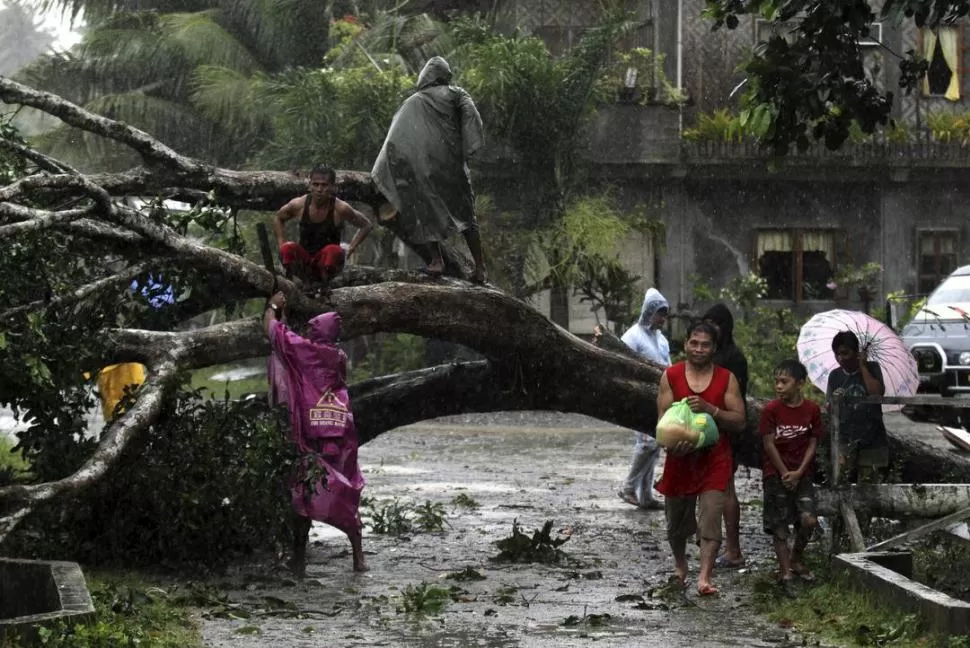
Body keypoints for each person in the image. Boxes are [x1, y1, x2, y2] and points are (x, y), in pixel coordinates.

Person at [264, 291, 367, 574]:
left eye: (312, 329)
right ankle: (358, 557)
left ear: (319, 333)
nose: (307, 332)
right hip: (341, 432)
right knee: (343, 489)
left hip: (312, 436)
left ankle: (298, 558)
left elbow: (273, 331)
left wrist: (273, 306)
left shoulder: (309, 353)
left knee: (302, 494)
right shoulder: (338, 356)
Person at [371, 56, 487, 283]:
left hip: (423, 169)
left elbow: (395, 137)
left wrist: (389, 166)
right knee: (467, 217)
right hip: (452, 167)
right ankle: (480, 268)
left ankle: (436, 260)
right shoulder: (457, 93)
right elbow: (473, 117)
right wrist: (469, 147)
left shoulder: (413, 101)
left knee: (425, 213)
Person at [656, 321, 747, 596]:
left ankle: (705, 576)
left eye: (705, 344)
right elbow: (662, 422)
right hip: (680, 458)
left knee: (711, 517)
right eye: (694, 343)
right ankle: (681, 565)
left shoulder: (726, 378)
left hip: (714, 458)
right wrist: (672, 446)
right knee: (676, 523)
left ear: (714, 348)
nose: (698, 349)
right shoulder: (670, 376)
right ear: (685, 344)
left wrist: (712, 410)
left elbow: (740, 420)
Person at [760, 359, 823, 586]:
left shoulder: (812, 410)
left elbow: (813, 444)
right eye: (776, 382)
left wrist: (799, 472)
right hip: (775, 473)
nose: (778, 386)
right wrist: (785, 472)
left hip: (802, 473)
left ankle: (796, 558)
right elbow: (769, 444)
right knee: (779, 524)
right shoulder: (770, 410)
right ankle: (785, 570)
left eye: (784, 382)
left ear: (800, 384)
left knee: (809, 520)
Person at [610, 288, 670, 510]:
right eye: (659, 314)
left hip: (659, 398)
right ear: (649, 312)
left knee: (655, 445)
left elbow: (668, 366)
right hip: (639, 397)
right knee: (648, 442)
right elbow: (620, 362)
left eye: (665, 315)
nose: (662, 319)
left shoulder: (660, 339)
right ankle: (628, 487)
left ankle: (644, 496)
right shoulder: (632, 336)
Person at [701, 303, 750, 569]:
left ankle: (733, 550)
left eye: (716, 323)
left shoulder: (732, 357)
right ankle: (713, 544)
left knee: (726, 489)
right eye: (707, 322)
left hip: (725, 428)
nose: (711, 328)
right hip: (707, 427)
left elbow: (735, 401)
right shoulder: (713, 353)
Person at [273, 164, 374, 282]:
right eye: (316, 184)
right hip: (305, 262)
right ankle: (293, 282)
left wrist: (351, 248)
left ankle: (322, 286)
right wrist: (281, 243)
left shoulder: (340, 208)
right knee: (288, 248)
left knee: (333, 250)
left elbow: (366, 225)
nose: (319, 189)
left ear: (332, 186)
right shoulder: (298, 205)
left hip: (328, 263)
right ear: (310, 185)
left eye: (324, 185)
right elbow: (278, 218)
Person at [826, 330, 888, 483]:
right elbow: (828, 408)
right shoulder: (835, 375)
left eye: (845, 353)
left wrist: (863, 367)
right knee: (842, 481)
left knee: (869, 485)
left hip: (872, 439)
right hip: (845, 439)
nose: (840, 358)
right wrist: (835, 401)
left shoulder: (872, 368)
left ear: (856, 352)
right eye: (837, 354)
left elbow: (876, 394)